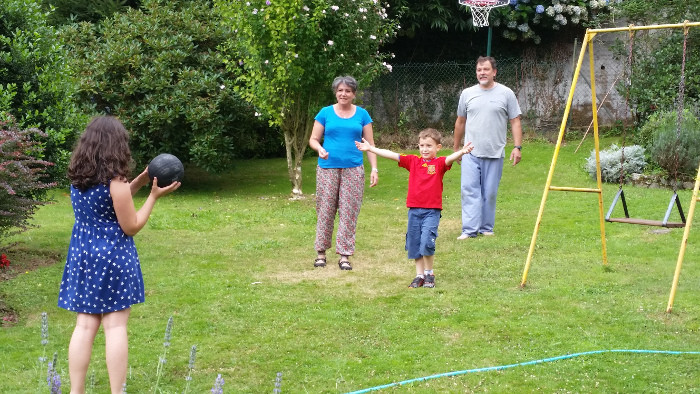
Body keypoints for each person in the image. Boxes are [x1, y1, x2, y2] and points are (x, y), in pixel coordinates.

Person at [57, 116, 180, 393]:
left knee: (85, 325)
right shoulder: (115, 181)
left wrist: (140, 180)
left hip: (84, 256)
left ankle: (75, 391)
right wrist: (153, 197)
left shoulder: (79, 179)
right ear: (117, 146)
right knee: (114, 327)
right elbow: (131, 225)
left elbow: (115, 200)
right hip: (112, 257)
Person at [356, 128, 474, 288]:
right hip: (414, 211)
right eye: (422, 146)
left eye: (429, 146)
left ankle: (429, 274)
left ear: (438, 147)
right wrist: (371, 149)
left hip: (431, 211)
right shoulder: (413, 161)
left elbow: (449, 159)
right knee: (414, 243)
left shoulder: (438, 164)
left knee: (427, 242)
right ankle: (419, 275)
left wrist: (462, 152)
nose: (425, 149)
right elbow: (392, 154)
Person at [308, 76, 378, 271]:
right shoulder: (325, 113)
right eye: (340, 90)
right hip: (327, 168)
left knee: (349, 211)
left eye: (347, 91)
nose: (343, 94)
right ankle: (321, 253)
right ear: (335, 92)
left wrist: (374, 168)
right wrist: (319, 149)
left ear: (354, 94)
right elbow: (313, 139)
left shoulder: (362, 115)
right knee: (325, 210)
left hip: (354, 169)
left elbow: (370, 145)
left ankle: (344, 255)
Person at [453, 56, 523, 240]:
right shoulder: (467, 94)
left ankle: (486, 227)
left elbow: (515, 121)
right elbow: (460, 121)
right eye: (479, 70)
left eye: (485, 69)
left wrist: (517, 147)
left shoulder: (506, 93)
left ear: (494, 72)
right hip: (470, 152)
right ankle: (469, 230)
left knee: (489, 193)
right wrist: (456, 149)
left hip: (494, 152)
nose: (482, 73)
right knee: (469, 190)